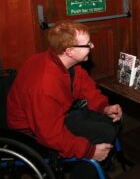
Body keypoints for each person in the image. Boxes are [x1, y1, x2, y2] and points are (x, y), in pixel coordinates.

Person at [7, 20, 123, 177]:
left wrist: (104, 107)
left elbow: (86, 88)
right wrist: (90, 151)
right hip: (31, 134)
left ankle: (97, 165)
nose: (92, 46)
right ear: (69, 51)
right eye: (88, 44)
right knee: (105, 132)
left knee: (111, 122)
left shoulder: (66, 63)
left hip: (55, 116)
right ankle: (88, 170)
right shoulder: (44, 85)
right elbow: (50, 135)